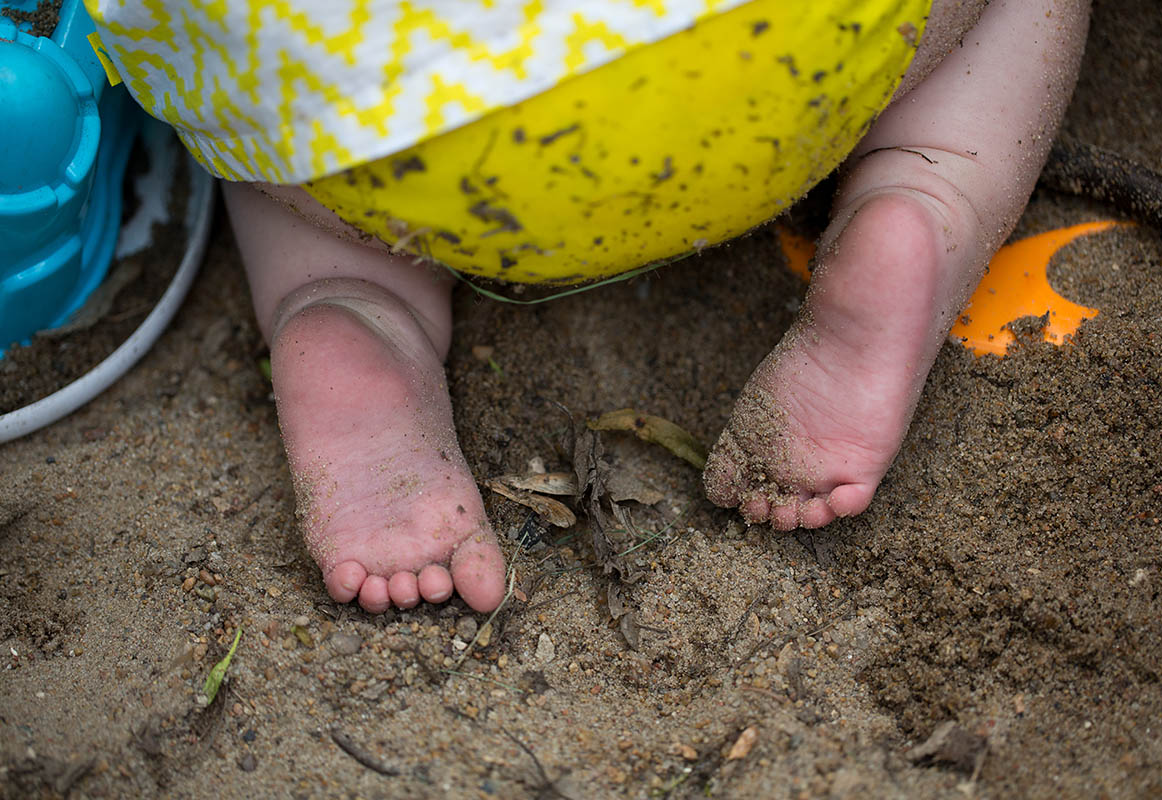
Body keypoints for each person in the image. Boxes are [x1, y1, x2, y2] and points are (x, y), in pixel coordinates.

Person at [87, 0, 1090, 613]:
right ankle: (925, 191)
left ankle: (348, 297)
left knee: (270, 111)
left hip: (393, 127)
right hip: (787, 49)